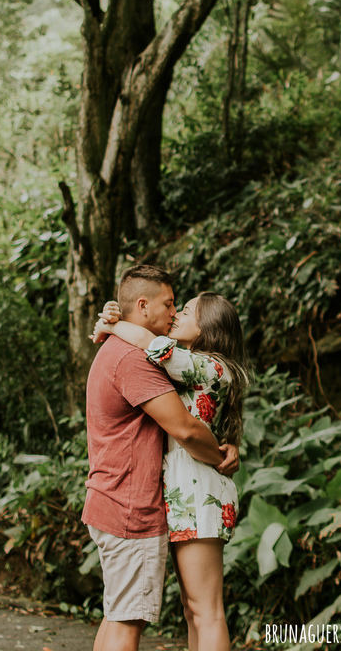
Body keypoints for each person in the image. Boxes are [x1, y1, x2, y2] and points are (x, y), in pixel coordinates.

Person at [82, 266, 238, 651]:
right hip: (136, 503)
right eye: (171, 305)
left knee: (197, 610)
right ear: (142, 304)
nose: (174, 313)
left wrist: (110, 325)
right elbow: (185, 429)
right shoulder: (138, 360)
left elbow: (189, 425)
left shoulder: (193, 363)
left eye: (183, 310)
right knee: (141, 616)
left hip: (189, 494)